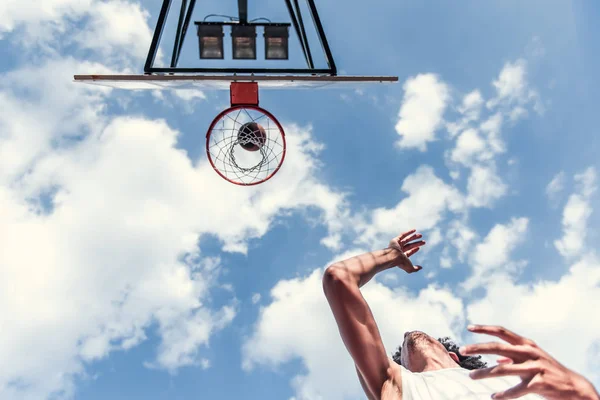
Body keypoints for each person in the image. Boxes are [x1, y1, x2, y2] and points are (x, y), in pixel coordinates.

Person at [322, 229, 600, 400]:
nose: (410, 334)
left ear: (454, 355)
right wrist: (391, 256)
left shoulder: (517, 385)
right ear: (402, 365)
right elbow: (339, 277)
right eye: (400, 351)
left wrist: (582, 393)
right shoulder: (396, 382)